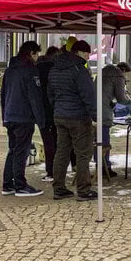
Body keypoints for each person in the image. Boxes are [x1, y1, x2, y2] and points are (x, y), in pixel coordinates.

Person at [48, 39, 97, 201]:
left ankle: (59, 188)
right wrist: (95, 115)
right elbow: (88, 95)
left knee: (61, 152)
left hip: (60, 115)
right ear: (80, 52)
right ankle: (83, 190)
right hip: (78, 117)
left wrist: (58, 108)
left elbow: (50, 94)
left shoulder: (55, 68)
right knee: (83, 153)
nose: (88, 57)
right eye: (87, 53)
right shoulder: (79, 69)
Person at [0, 41, 46, 197]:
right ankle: (20, 185)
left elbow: (3, 94)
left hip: (10, 116)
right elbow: (35, 97)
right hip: (24, 117)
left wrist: (4, 117)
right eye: (37, 54)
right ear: (31, 53)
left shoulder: (9, 70)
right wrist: (41, 120)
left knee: (13, 150)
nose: (37, 57)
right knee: (21, 152)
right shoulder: (30, 70)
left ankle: (8, 184)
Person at [97, 61, 131, 179]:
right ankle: (105, 168)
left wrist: (110, 102)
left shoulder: (103, 72)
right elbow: (121, 98)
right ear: (124, 71)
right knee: (104, 142)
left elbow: (104, 93)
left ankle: (100, 165)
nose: (126, 77)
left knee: (98, 140)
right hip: (103, 113)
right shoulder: (118, 76)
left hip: (94, 110)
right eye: (126, 74)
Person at [35, 46, 61, 183]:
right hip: (55, 111)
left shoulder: (36, 69)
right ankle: (56, 170)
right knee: (57, 142)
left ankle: (50, 171)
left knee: (47, 142)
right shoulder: (56, 70)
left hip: (41, 112)